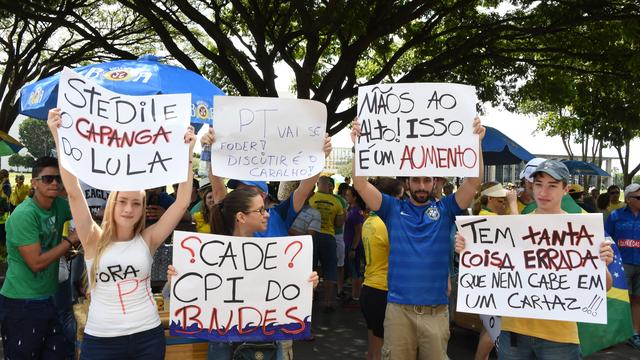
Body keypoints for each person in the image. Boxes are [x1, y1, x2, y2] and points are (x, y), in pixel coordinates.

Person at [47, 108, 196, 359]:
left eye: (136, 203)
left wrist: (188, 152)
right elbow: (73, 191)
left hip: (148, 335)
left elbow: (181, 203)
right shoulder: (93, 238)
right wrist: (58, 134)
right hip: (101, 340)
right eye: (122, 202)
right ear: (112, 204)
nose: (129, 209)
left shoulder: (148, 239)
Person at [351, 116, 485, 360]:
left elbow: (474, 182)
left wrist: (476, 142)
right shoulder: (391, 209)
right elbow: (359, 184)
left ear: (435, 182)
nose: (421, 185)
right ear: (407, 183)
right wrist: (357, 143)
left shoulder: (446, 209)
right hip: (398, 312)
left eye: (426, 180)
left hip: (436, 312)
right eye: (416, 180)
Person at [456, 160, 614, 360]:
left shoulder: (581, 231)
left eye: (552, 185)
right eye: (539, 184)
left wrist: (602, 263)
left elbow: (605, 286)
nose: (543, 192)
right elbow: (490, 268)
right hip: (513, 333)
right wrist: (469, 251)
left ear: (565, 189)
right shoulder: (513, 226)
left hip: (559, 337)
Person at [176, 187, 319, 360]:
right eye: (260, 210)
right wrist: (175, 280)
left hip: (267, 344)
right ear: (241, 217)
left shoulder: (273, 255)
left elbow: (287, 295)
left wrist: (306, 284)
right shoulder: (211, 255)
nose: (266, 214)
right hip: (225, 345)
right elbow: (178, 295)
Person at [0, 156, 75, 359]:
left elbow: (84, 210)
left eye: (58, 179)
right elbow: (36, 263)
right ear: (34, 182)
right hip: (21, 303)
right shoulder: (24, 215)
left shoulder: (59, 205)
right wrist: (70, 241)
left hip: (48, 298)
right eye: (47, 179)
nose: (54, 183)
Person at [470, 182, 517, 360]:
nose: (504, 204)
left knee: (489, 329)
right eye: (501, 201)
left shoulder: (486, 215)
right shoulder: (490, 219)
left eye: (505, 201)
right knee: (494, 332)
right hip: (494, 284)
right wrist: (513, 204)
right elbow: (518, 229)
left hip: (490, 284)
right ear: (489, 199)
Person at [360, 177, 404, 360]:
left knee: (373, 349)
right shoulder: (385, 223)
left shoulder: (369, 221)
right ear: (390, 199)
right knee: (380, 351)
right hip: (382, 291)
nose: (403, 203)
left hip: (370, 288)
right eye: (400, 198)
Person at [605, 183, 640, 350]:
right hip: (621, 265)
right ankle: (611, 335)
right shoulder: (615, 216)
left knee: (637, 300)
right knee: (618, 299)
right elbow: (606, 238)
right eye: (638, 197)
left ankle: (634, 333)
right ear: (628, 199)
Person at [309, 176, 346, 311]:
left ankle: (310, 299)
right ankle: (328, 302)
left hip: (311, 236)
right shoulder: (336, 202)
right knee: (330, 270)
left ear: (318, 184)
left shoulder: (311, 198)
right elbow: (339, 223)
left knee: (310, 268)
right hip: (329, 236)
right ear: (330, 186)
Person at [343, 185, 366, 307]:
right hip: (348, 243)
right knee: (353, 271)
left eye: (348, 195)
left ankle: (356, 297)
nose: (346, 197)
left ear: (355, 197)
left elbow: (359, 231)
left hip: (354, 245)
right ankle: (353, 295)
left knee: (356, 271)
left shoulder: (356, 211)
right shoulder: (350, 209)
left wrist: (353, 248)